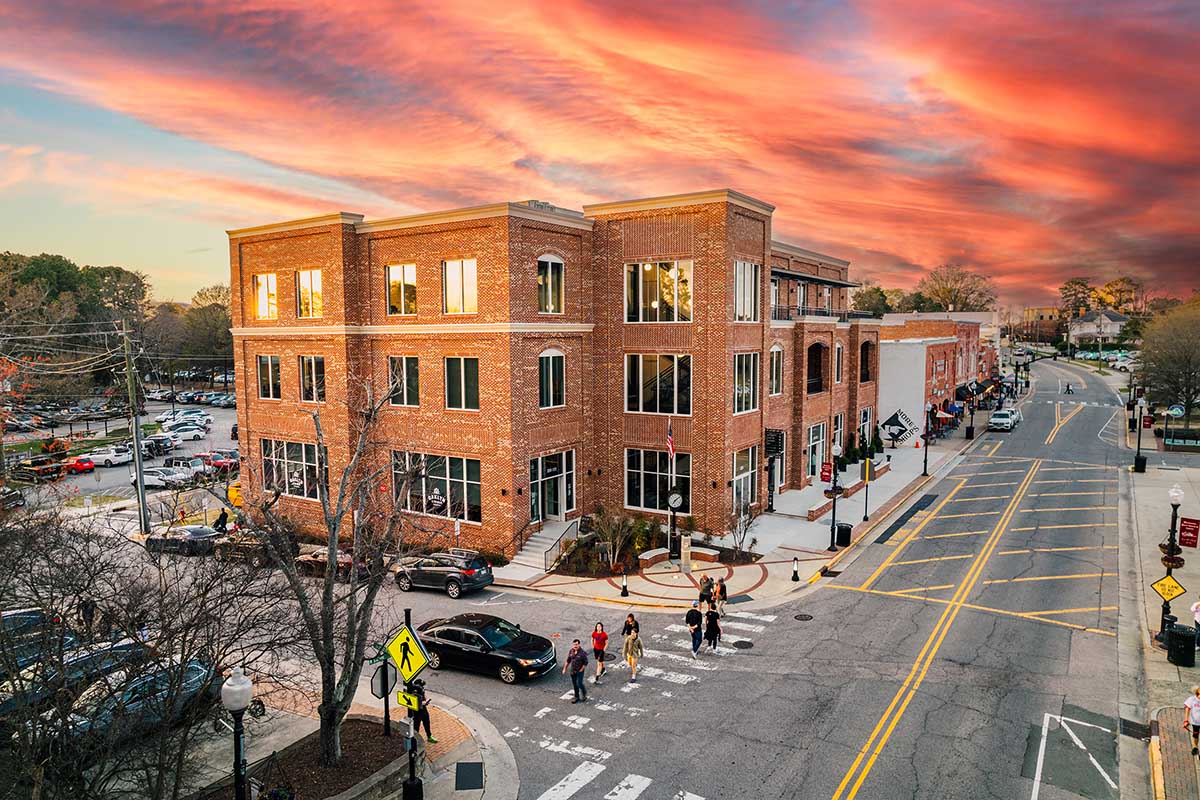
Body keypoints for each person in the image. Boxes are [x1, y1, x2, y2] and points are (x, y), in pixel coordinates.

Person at [562, 639, 588, 703]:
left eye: (576, 644)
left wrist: (581, 670)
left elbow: (585, 663)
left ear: (579, 644)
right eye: (574, 644)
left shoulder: (582, 653)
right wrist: (564, 669)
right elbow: (568, 661)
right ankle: (577, 697)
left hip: (579, 671)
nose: (575, 646)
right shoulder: (571, 651)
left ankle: (584, 693)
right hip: (573, 671)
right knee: (575, 684)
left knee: (579, 683)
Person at [412, 679, 436, 743]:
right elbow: (415, 702)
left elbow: (424, 696)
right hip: (417, 711)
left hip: (424, 709)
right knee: (416, 726)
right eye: (422, 686)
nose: (423, 687)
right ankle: (415, 740)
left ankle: (429, 736)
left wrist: (426, 700)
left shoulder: (421, 689)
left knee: (427, 722)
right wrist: (423, 703)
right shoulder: (414, 691)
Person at [1185, 686, 1200, 756]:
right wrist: (1186, 720)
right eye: (1199, 694)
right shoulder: (1192, 699)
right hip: (1195, 722)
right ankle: (1195, 746)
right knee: (1195, 735)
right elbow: (1187, 709)